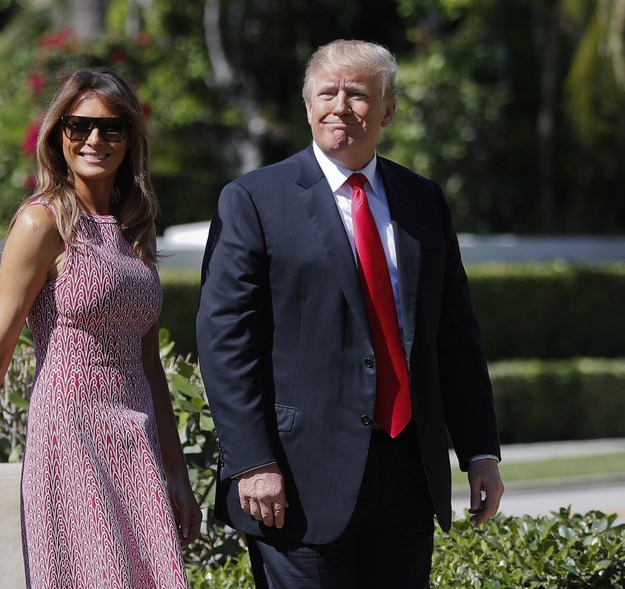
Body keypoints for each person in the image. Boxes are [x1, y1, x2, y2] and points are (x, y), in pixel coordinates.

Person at [196, 39, 504, 588]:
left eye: (358, 94)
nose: (340, 106)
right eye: (327, 93)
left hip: (408, 473)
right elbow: (225, 341)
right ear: (307, 105)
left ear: (387, 110)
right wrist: (252, 462)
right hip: (295, 479)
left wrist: (480, 449)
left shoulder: (423, 200)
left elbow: (454, 334)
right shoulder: (252, 201)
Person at [0, 67, 201, 588]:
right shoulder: (43, 223)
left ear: (130, 140)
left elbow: (149, 365)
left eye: (111, 129)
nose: (93, 140)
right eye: (78, 126)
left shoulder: (135, 229)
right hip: (70, 437)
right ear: (58, 134)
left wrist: (177, 473)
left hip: (136, 440)